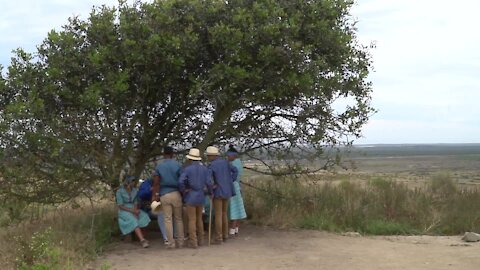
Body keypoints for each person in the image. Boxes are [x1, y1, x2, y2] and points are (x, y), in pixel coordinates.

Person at [178, 148, 213, 248]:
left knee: (192, 220)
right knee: (199, 219)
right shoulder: (205, 169)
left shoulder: (187, 169)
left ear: (190, 159)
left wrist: (184, 190)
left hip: (191, 196)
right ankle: (201, 240)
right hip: (201, 195)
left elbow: (180, 182)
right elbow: (209, 183)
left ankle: (193, 242)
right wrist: (211, 192)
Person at [152, 146, 185, 249]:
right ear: (172, 154)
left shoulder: (159, 167)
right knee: (178, 218)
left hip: (164, 193)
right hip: (176, 193)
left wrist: (155, 195)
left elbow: (156, 183)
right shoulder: (178, 165)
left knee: (167, 219)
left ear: (163, 154)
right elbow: (182, 181)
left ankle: (170, 243)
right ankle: (181, 241)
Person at [206, 146, 238, 244]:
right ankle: (225, 235)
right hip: (227, 190)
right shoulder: (226, 162)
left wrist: (211, 189)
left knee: (219, 214)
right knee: (224, 213)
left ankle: (219, 237)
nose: (207, 157)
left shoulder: (211, 165)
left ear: (212, 156)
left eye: (208, 156)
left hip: (218, 191)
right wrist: (230, 181)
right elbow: (235, 170)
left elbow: (208, 180)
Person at [116, 175, 151, 248]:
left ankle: (142, 236)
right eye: (132, 181)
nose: (133, 183)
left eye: (134, 181)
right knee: (133, 220)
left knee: (144, 216)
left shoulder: (134, 190)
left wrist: (135, 211)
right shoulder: (120, 191)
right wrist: (132, 211)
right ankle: (142, 240)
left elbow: (135, 202)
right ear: (127, 182)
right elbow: (120, 206)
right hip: (124, 210)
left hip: (133, 208)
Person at [138, 177, 169, 245]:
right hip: (148, 209)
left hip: (161, 206)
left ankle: (173, 236)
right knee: (161, 214)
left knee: (170, 213)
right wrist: (150, 190)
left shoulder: (163, 183)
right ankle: (166, 238)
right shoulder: (147, 183)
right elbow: (140, 195)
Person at [226, 145, 247, 237]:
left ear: (232, 155)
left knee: (233, 209)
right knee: (238, 207)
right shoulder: (239, 163)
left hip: (232, 186)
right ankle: (236, 229)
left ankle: (232, 230)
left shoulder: (232, 164)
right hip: (237, 186)